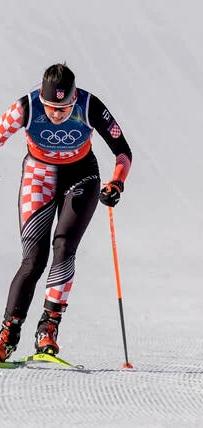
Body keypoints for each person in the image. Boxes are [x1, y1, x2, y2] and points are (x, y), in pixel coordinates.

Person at [0, 63, 132, 361]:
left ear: (74, 99)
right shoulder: (26, 107)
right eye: (51, 108)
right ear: (42, 99)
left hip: (81, 175)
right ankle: (8, 335)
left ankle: (48, 329)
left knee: (64, 248)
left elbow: (123, 151)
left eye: (64, 108)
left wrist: (117, 183)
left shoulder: (89, 105)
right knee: (33, 260)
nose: (58, 115)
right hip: (39, 175)